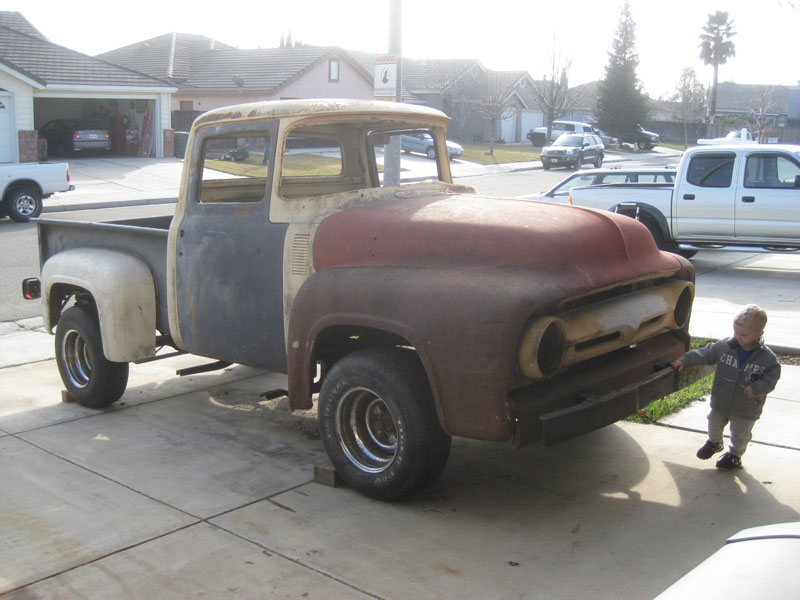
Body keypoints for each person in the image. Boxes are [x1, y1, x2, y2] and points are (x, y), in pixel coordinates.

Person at [670, 304, 781, 471]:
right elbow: (705, 354)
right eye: (736, 332)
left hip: (747, 407)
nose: (738, 337)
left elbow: (771, 378)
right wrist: (684, 360)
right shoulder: (725, 347)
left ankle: (735, 456)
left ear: (759, 334)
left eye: (743, 334)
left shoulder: (767, 359)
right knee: (713, 422)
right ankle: (715, 443)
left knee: (740, 433)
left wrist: (757, 387)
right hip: (722, 400)